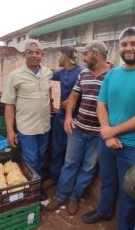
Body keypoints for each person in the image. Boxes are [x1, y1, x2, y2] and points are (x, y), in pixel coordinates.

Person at [82, 27, 135, 230]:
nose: (128, 48)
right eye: (124, 44)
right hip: (107, 141)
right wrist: (106, 131)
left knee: (129, 191)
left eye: (134, 43)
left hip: (134, 147)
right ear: (119, 48)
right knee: (108, 181)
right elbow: (102, 104)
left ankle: (124, 226)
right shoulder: (112, 74)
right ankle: (104, 212)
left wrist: (112, 132)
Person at [46, 40, 111, 215]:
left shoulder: (114, 75)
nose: (83, 57)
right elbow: (74, 96)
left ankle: (75, 196)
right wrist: (68, 117)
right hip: (78, 128)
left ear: (95, 54)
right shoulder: (84, 74)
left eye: (86, 54)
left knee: (88, 168)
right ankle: (61, 196)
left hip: (99, 134)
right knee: (70, 164)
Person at [1, 39, 52, 178]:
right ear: (24, 55)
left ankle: (36, 184)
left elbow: (49, 92)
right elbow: (9, 105)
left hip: (45, 126)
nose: (34, 55)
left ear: (42, 55)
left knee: (42, 158)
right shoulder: (15, 76)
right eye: (30, 52)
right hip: (27, 128)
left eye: (38, 52)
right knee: (32, 161)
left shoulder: (48, 73)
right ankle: (33, 190)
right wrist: (10, 131)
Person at [42, 45, 84, 190]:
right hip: (60, 116)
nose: (58, 58)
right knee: (57, 148)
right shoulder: (61, 73)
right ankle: (55, 177)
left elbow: (90, 91)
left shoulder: (82, 72)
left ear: (65, 56)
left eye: (59, 55)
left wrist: (74, 100)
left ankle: (69, 184)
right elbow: (45, 76)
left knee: (71, 154)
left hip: (75, 119)